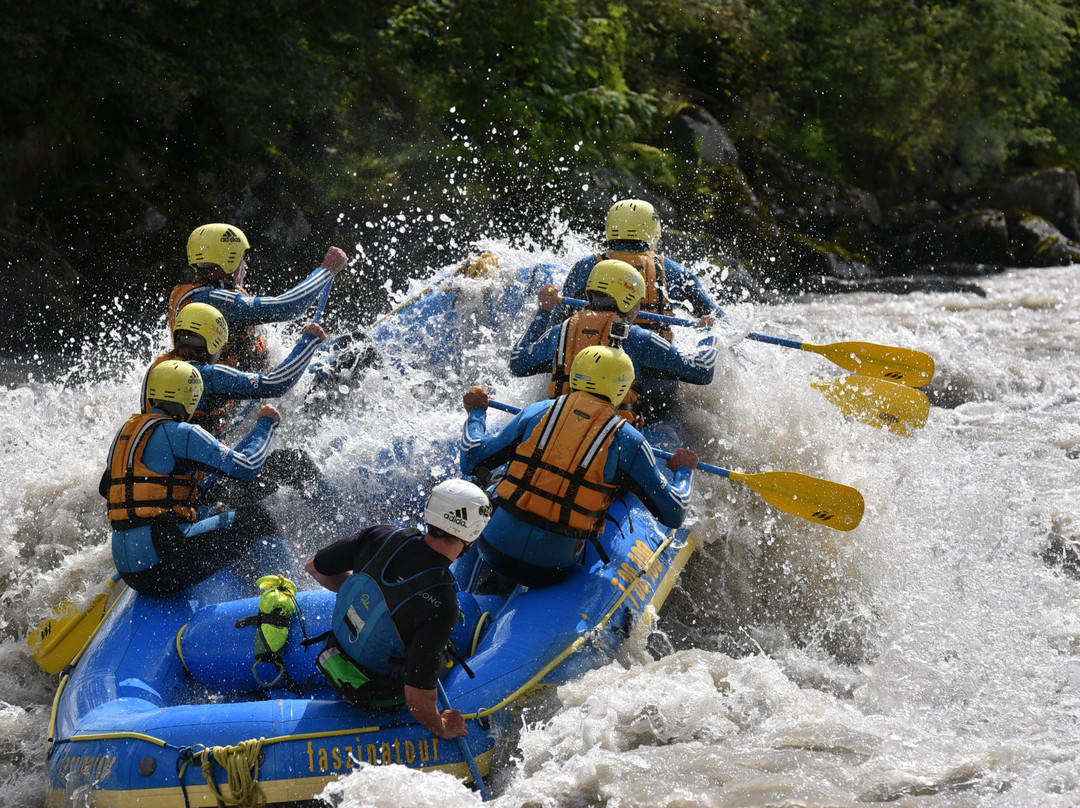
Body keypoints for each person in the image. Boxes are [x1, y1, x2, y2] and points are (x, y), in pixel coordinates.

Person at [461, 345, 699, 588]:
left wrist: (477, 413)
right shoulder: (629, 441)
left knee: (496, 484)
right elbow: (674, 512)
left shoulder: (537, 412)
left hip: (491, 548)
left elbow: (472, 458)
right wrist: (684, 471)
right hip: (552, 567)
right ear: (623, 387)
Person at [304, 479, 492, 738]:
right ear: (472, 534)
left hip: (332, 656)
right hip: (378, 696)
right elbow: (416, 701)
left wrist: (370, 600)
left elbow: (314, 567)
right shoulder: (443, 603)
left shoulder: (381, 535)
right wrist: (443, 726)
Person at [103, 360, 285, 595]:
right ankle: (287, 599)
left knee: (208, 511)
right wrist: (266, 425)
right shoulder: (182, 433)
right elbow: (248, 466)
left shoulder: (125, 433)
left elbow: (106, 488)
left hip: (129, 571)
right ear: (192, 398)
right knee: (257, 518)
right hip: (162, 567)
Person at [510, 259, 716, 424]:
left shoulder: (561, 331)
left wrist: (544, 311)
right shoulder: (637, 338)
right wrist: (708, 333)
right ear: (629, 300)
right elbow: (702, 370)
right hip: (610, 437)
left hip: (558, 426)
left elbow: (517, 362)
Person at [170, 222, 348, 371]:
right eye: (242, 258)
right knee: (355, 356)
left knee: (349, 344)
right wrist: (326, 270)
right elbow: (289, 307)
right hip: (242, 402)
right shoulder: (211, 301)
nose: (245, 266)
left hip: (252, 390)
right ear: (228, 260)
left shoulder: (200, 294)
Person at [143, 301, 327, 439]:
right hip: (199, 482)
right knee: (298, 460)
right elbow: (276, 384)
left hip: (167, 465)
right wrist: (308, 343)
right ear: (215, 343)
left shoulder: (158, 370)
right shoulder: (207, 375)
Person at [555, 199, 721, 335]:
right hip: (656, 368)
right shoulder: (675, 272)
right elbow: (716, 317)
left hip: (594, 363)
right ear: (653, 229)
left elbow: (558, 322)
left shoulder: (585, 267)